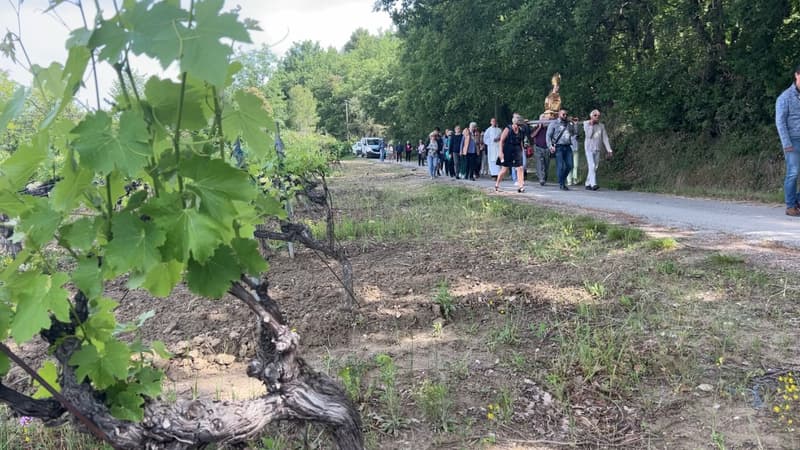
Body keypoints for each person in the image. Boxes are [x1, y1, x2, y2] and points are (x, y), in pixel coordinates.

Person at [776, 64, 800, 216]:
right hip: (793, 140)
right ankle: (790, 206)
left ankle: (797, 201)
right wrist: (787, 144)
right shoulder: (785, 97)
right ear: (797, 75)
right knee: (793, 172)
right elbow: (780, 121)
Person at [546, 108, 579, 191]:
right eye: (563, 114)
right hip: (558, 147)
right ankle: (562, 184)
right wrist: (550, 146)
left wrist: (575, 124)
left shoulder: (569, 124)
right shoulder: (553, 123)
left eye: (566, 114)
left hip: (568, 146)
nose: (565, 116)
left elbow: (574, 133)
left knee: (570, 165)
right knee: (560, 166)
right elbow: (548, 136)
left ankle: (562, 180)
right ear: (559, 114)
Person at [494, 113, 526, 193]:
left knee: (520, 168)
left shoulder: (521, 130)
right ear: (515, 122)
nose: (519, 125)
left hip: (517, 149)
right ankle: (497, 184)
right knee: (504, 169)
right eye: (518, 123)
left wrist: (523, 152)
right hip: (508, 149)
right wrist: (501, 152)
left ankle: (521, 186)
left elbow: (521, 141)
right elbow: (501, 141)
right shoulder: (508, 128)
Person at [583, 109, 613, 190]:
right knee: (592, 166)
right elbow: (589, 135)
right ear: (591, 116)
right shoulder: (586, 123)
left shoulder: (601, 125)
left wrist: (609, 150)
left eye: (598, 116)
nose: (597, 117)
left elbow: (605, 138)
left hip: (597, 148)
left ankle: (587, 183)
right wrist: (591, 125)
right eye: (595, 115)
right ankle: (594, 184)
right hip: (589, 148)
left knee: (595, 167)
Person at [531, 113, 550, 186]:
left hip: (547, 148)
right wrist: (539, 127)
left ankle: (544, 178)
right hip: (538, 147)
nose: (544, 120)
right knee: (540, 163)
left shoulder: (549, 127)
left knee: (546, 164)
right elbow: (532, 135)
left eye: (545, 119)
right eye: (543, 119)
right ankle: (541, 178)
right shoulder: (536, 126)